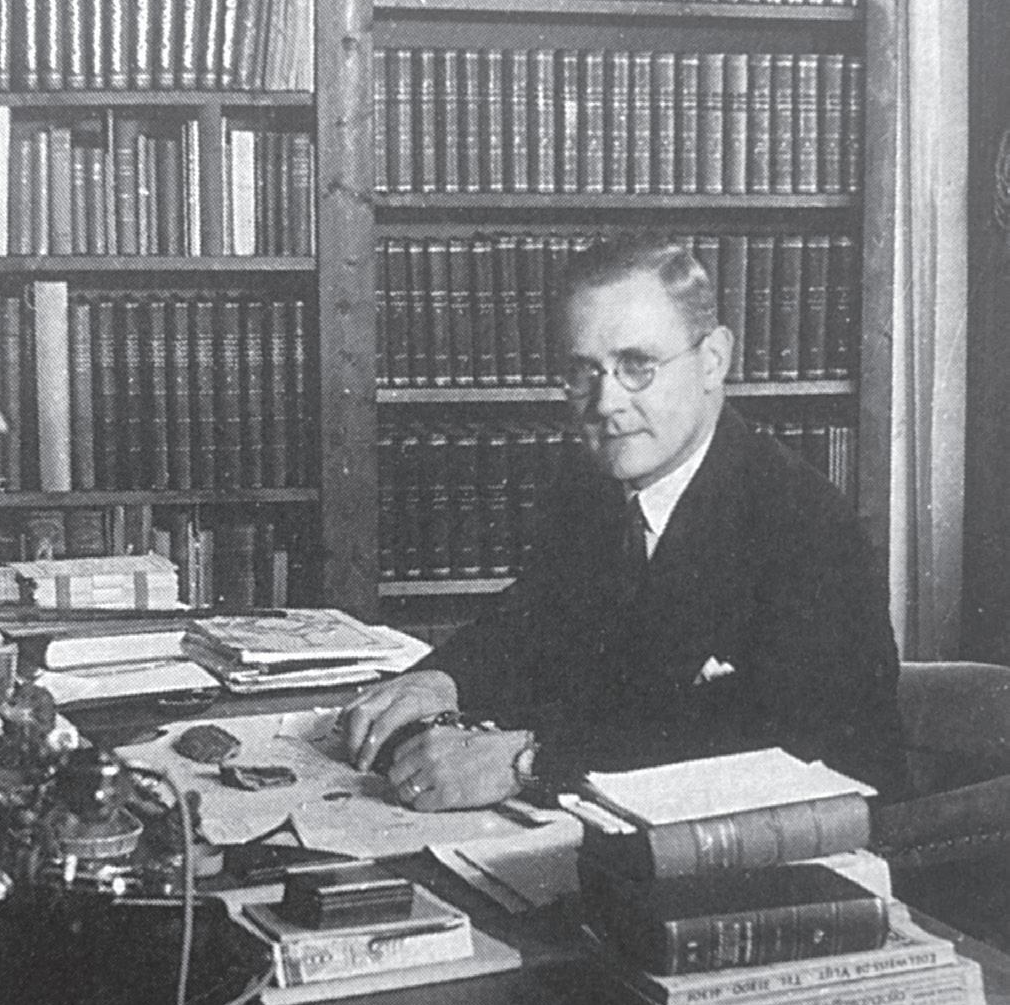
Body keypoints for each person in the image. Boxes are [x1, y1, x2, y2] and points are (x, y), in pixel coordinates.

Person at [342, 236, 905, 810]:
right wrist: (447, 680)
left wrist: (528, 761)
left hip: (809, 837)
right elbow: (531, 623)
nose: (605, 402)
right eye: (583, 371)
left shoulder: (805, 523)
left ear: (713, 360)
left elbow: (781, 732)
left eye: (637, 366)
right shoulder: (593, 485)